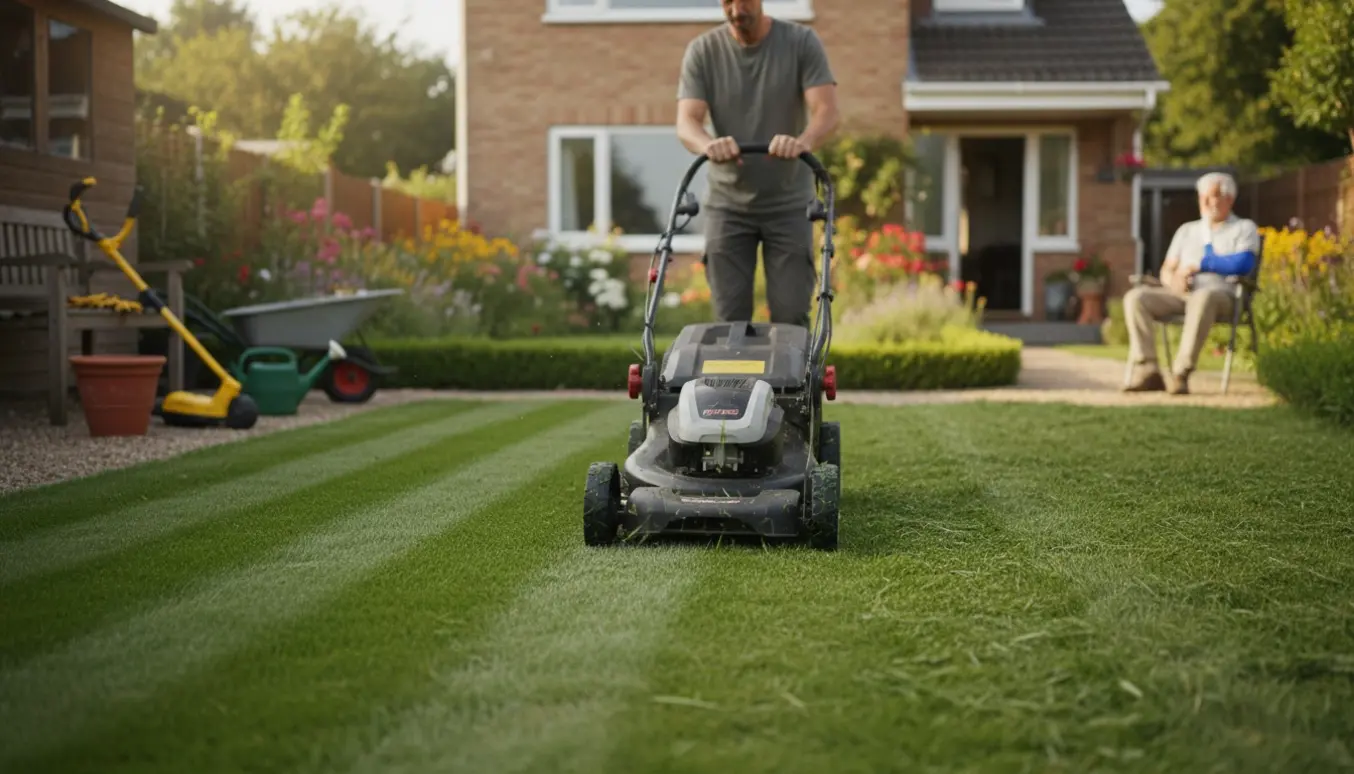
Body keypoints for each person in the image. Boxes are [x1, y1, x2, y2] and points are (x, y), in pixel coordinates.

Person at [674, 0, 839, 327]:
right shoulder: (703, 51)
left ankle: (789, 381)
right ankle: (733, 380)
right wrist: (709, 145)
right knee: (729, 319)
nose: (736, 11)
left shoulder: (800, 42)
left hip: (789, 203)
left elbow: (827, 112)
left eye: (744, 1)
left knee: (791, 315)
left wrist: (801, 143)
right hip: (727, 205)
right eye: (727, 2)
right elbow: (686, 122)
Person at [1123, 171, 1260, 394]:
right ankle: (1148, 369)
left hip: (1223, 296)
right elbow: (1167, 268)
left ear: (1229, 199)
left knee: (1202, 297)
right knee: (1135, 298)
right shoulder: (1187, 230)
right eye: (1202, 196)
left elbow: (1242, 264)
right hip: (1182, 295)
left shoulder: (1244, 228)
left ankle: (1181, 373)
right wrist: (1173, 280)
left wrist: (1202, 265)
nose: (1206, 202)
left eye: (1213, 196)